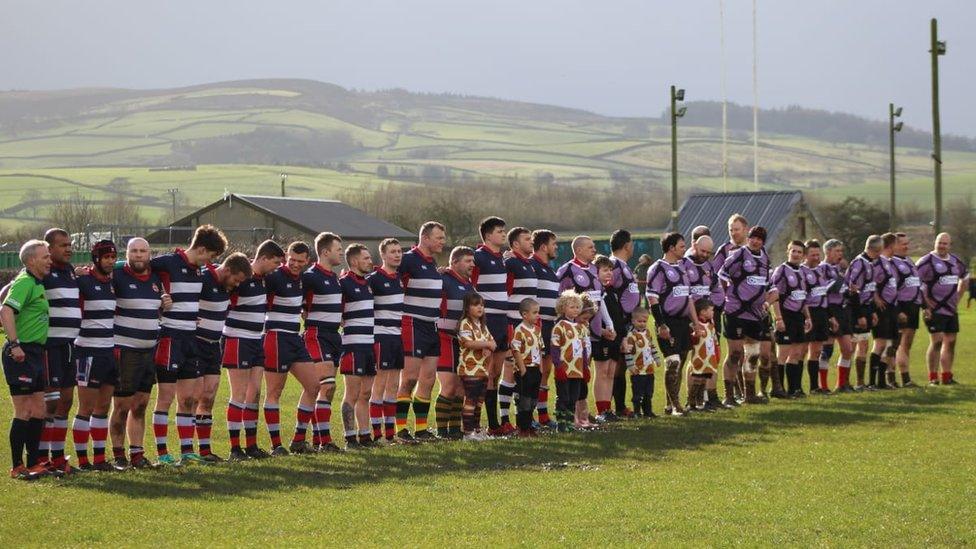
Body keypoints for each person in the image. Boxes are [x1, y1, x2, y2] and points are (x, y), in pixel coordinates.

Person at [150, 224, 227, 465]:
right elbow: (134, 268)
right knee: (165, 397)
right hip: (170, 338)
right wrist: (159, 298)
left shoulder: (199, 271)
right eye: (212, 256)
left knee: (189, 399)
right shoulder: (168, 263)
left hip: (190, 340)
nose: (211, 262)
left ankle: (186, 451)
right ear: (202, 249)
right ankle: (163, 453)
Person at [110, 238, 170, 469]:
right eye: (133, 251)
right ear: (127, 254)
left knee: (141, 405)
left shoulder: (156, 278)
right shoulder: (118, 275)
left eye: (142, 251)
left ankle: (137, 454)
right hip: (125, 350)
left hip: (148, 350)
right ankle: (118, 455)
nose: (138, 255)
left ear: (149, 254)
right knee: (122, 406)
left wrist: (165, 302)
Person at [223, 240, 284, 460]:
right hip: (237, 340)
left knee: (253, 394)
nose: (277, 267)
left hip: (257, 340)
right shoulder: (242, 277)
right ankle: (234, 448)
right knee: (238, 394)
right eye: (275, 262)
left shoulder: (264, 280)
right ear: (264, 258)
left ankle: (251, 446)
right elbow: (224, 301)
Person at [262, 241, 321, 456]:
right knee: (275, 391)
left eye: (300, 261)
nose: (295, 264)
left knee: (314, 386)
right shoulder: (275, 276)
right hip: (275, 338)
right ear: (287, 256)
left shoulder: (303, 280)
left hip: (295, 339)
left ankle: (298, 440)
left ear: (307, 261)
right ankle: (276, 444)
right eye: (292, 260)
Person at [190, 252, 250, 461]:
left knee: (208, 397)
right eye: (236, 280)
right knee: (193, 397)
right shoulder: (203, 278)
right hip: (195, 344)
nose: (236, 285)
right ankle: (187, 451)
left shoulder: (227, 285)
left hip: (214, 346)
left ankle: (205, 451)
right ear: (227, 270)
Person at [2, 240, 53, 480]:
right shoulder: (24, 282)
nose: (49, 260)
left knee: (39, 409)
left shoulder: (36, 283)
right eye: (45, 257)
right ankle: (17, 465)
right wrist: (14, 344)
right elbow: (6, 310)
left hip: (35, 352)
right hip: (20, 353)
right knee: (23, 410)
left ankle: (34, 463)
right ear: (31, 260)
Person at [73, 240, 123, 471]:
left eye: (113, 258)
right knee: (86, 407)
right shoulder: (82, 281)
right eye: (106, 258)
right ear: (96, 259)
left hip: (108, 351)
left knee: (103, 406)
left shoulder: (112, 283)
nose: (111, 262)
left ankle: (100, 459)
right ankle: (83, 461)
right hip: (87, 351)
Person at [396, 221, 447, 442]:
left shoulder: (431, 262)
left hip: (431, 326)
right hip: (412, 324)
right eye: (438, 238)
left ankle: (421, 429)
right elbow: (389, 277)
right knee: (409, 378)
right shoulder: (408, 259)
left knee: (428, 379)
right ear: (425, 238)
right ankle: (399, 429)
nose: (442, 242)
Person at [647, 232, 704, 415]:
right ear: (671, 248)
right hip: (667, 322)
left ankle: (670, 404)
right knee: (673, 362)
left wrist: (695, 323)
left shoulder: (682, 267)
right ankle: (677, 406)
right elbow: (652, 298)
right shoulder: (657, 268)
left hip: (683, 322)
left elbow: (688, 299)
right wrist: (661, 324)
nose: (684, 248)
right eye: (681, 246)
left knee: (680, 362)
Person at [39, 228, 81, 473]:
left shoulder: (70, 271)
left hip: (70, 345)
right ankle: (41, 458)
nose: (68, 249)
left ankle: (58, 458)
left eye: (69, 244)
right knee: (50, 402)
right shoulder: (42, 271)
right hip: (50, 346)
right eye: (63, 245)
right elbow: (9, 295)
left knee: (66, 401)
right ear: (49, 249)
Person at [472, 216, 515, 436]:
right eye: (499, 231)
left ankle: (494, 424)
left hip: (501, 320)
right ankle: (475, 424)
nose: (503, 234)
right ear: (488, 235)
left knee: (495, 373)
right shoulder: (478, 257)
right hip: (486, 321)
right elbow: (468, 285)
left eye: (504, 230)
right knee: (483, 373)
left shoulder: (501, 259)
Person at [719, 225, 771, 404]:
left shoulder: (765, 258)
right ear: (748, 238)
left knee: (753, 354)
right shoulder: (739, 254)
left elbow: (766, 284)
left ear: (763, 241)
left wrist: (765, 300)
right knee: (734, 353)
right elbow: (723, 274)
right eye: (753, 237)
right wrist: (729, 297)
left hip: (755, 314)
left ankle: (749, 394)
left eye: (759, 239)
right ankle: (728, 396)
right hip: (736, 311)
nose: (755, 241)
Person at [301, 232, 344, 452]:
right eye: (338, 249)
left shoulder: (334, 277)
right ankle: (324, 440)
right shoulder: (310, 276)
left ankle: (315, 439)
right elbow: (296, 300)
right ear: (325, 252)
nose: (341, 252)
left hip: (333, 335)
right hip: (316, 335)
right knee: (326, 386)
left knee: (325, 388)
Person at [338, 243, 377, 449]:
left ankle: (365, 435)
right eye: (366, 258)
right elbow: (337, 313)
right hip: (353, 346)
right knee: (352, 394)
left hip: (369, 345)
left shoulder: (367, 283)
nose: (370, 261)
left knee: (366, 394)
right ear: (354, 261)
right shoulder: (343, 283)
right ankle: (349, 437)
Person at [435, 246, 476, 440]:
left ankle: (454, 429)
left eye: (472, 261)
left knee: (461, 386)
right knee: (449, 385)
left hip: (462, 341)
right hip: (443, 337)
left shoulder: (469, 285)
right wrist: (436, 274)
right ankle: (441, 430)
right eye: (467, 261)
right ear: (454, 262)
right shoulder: (443, 279)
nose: (472, 265)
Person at [366, 238, 405, 443]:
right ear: (383, 255)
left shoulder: (400, 278)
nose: (397, 255)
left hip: (397, 337)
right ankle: (377, 434)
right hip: (380, 336)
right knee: (379, 385)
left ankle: (390, 434)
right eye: (393, 252)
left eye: (399, 251)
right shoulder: (374, 279)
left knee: (394, 386)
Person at [917, 232, 969, 385]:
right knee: (937, 341)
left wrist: (958, 297)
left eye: (945, 243)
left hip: (951, 310)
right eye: (939, 242)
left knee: (951, 341)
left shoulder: (955, 261)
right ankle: (933, 378)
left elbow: (965, 278)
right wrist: (925, 303)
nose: (941, 246)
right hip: (934, 310)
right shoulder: (926, 261)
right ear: (935, 243)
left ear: (949, 245)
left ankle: (947, 376)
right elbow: (916, 283)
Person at [683, 234, 726, 409]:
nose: (705, 254)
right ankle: (691, 399)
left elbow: (717, 289)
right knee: (695, 359)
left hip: (707, 318)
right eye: (702, 251)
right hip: (689, 319)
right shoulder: (684, 265)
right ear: (694, 245)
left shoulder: (709, 266)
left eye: (709, 252)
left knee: (711, 355)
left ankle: (709, 397)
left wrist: (712, 306)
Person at [770, 240, 813, 398]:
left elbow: (803, 298)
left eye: (799, 252)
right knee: (783, 353)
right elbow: (774, 297)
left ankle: (794, 389)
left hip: (798, 317)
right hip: (785, 315)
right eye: (793, 251)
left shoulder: (802, 272)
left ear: (803, 256)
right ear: (788, 252)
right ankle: (778, 389)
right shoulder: (781, 270)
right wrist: (778, 318)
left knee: (796, 352)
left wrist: (808, 317)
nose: (795, 254)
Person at [715, 214, 749, 405]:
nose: (734, 233)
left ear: (746, 229)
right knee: (735, 352)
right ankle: (731, 393)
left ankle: (746, 392)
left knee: (752, 351)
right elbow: (715, 277)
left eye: (737, 229)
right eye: (731, 229)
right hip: (733, 308)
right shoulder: (724, 250)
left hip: (752, 310)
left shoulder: (755, 250)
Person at [608, 229, 640, 418]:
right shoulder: (615, 266)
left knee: (622, 365)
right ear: (627, 245)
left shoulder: (624, 266)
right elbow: (608, 292)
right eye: (632, 243)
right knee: (616, 366)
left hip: (626, 322)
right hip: (617, 322)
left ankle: (620, 406)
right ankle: (615, 407)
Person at [529, 230, 560, 429]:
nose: (556, 247)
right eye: (554, 244)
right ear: (543, 247)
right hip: (537, 326)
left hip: (551, 325)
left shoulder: (549, 269)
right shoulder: (531, 266)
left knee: (545, 371)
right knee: (532, 371)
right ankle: (527, 414)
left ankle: (542, 415)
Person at [457, 293, 495, 440]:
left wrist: (489, 346)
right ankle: (468, 432)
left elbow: (494, 343)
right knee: (471, 400)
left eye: (482, 304)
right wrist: (486, 345)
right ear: (467, 308)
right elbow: (467, 343)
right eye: (475, 304)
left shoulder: (483, 326)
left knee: (479, 402)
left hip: (483, 369)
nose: (480, 307)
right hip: (469, 369)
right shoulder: (465, 323)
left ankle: (477, 430)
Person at [846, 235, 881, 391]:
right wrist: (859, 314)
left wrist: (872, 311)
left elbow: (870, 289)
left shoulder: (871, 263)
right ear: (876, 249)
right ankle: (845, 382)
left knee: (864, 345)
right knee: (852, 346)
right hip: (855, 309)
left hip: (866, 308)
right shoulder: (859, 264)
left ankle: (860, 383)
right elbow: (852, 290)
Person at [821, 239, 855, 392]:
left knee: (848, 349)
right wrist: (842, 273)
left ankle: (842, 384)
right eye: (837, 251)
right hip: (829, 309)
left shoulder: (840, 269)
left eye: (842, 251)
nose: (840, 254)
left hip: (843, 310)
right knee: (826, 350)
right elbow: (830, 289)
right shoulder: (823, 268)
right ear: (827, 252)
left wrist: (850, 291)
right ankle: (823, 386)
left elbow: (843, 289)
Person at [550, 290, 585, 432]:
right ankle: (561, 423)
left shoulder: (580, 327)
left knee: (573, 398)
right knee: (563, 397)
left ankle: (570, 423)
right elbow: (554, 348)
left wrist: (586, 367)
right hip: (564, 369)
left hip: (577, 370)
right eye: (572, 307)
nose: (575, 310)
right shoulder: (559, 326)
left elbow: (583, 349)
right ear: (563, 308)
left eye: (577, 307)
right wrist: (558, 367)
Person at [801, 240, 833, 394]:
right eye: (813, 255)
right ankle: (796, 387)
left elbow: (824, 292)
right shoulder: (801, 271)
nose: (816, 257)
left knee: (816, 351)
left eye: (818, 254)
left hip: (822, 313)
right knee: (801, 351)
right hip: (809, 313)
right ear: (805, 255)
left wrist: (830, 316)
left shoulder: (820, 270)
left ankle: (815, 386)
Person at [869, 233, 900, 390]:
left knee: (888, 344)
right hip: (882, 308)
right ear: (890, 245)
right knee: (880, 343)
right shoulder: (876, 263)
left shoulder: (887, 262)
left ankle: (881, 381)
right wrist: (876, 298)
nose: (898, 247)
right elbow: (870, 282)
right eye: (897, 244)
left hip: (891, 308)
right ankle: (871, 381)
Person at [510, 298, 543, 437]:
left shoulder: (537, 330)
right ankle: (522, 428)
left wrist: (540, 368)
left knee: (533, 400)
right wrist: (523, 370)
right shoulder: (519, 330)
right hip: (524, 369)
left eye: (538, 312)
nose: (538, 315)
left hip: (535, 369)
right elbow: (515, 350)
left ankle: (529, 426)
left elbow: (540, 349)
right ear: (524, 314)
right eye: (535, 313)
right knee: (524, 400)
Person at [892, 232, 921, 388]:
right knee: (898, 344)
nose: (906, 246)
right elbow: (891, 289)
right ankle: (902, 378)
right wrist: (898, 310)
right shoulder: (893, 263)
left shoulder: (909, 261)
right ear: (894, 245)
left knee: (906, 344)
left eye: (907, 243)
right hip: (902, 307)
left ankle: (897, 377)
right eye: (903, 243)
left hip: (913, 307)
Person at [622, 307, 660, 418]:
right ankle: (637, 412)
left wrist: (656, 358)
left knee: (649, 392)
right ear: (633, 321)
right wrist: (630, 365)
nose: (642, 324)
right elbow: (628, 352)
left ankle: (648, 411)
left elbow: (651, 347)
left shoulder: (648, 333)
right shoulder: (631, 336)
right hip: (638, 371)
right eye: (639, 321)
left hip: (649, 370)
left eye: (644, 321)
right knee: (638, 394)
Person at [686, 299, 721, 411]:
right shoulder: (696, 325)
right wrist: (695, 336)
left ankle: (700, 403)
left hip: (709, 359)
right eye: (711, 310)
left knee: (704, 381)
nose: (713, 312)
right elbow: (692, 341)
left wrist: (716, 353)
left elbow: (714, 340)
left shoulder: (711, 325)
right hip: (699, 358)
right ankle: (691, 403)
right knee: (697, 380)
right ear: (703, 312)